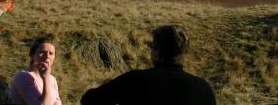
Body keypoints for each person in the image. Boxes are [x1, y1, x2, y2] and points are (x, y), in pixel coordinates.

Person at [80, 25, 216, 105]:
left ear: (157, 52)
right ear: (184, 52)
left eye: (152, 47)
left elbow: (88, 100)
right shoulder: (204, 90)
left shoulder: (135, 81)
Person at [8, 36, 62, 105]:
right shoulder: (23, 76)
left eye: (51, 53)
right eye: (42, 52)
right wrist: (46, 78)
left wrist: (47, 78)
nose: (47, 56)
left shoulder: (52, 79)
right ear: (33, 55)